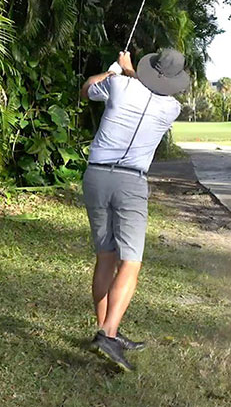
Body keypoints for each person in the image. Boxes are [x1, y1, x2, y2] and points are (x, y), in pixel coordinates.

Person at [79, 48, 189, 371]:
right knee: (131, 262)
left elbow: (87, 88)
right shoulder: (173, 107)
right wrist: (129, 74)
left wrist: (117, 71)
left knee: (106, 256)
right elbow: (146, 90)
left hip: (96, 175)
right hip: (130, 182)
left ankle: (106, 330)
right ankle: (108, 335)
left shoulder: (119, 84)